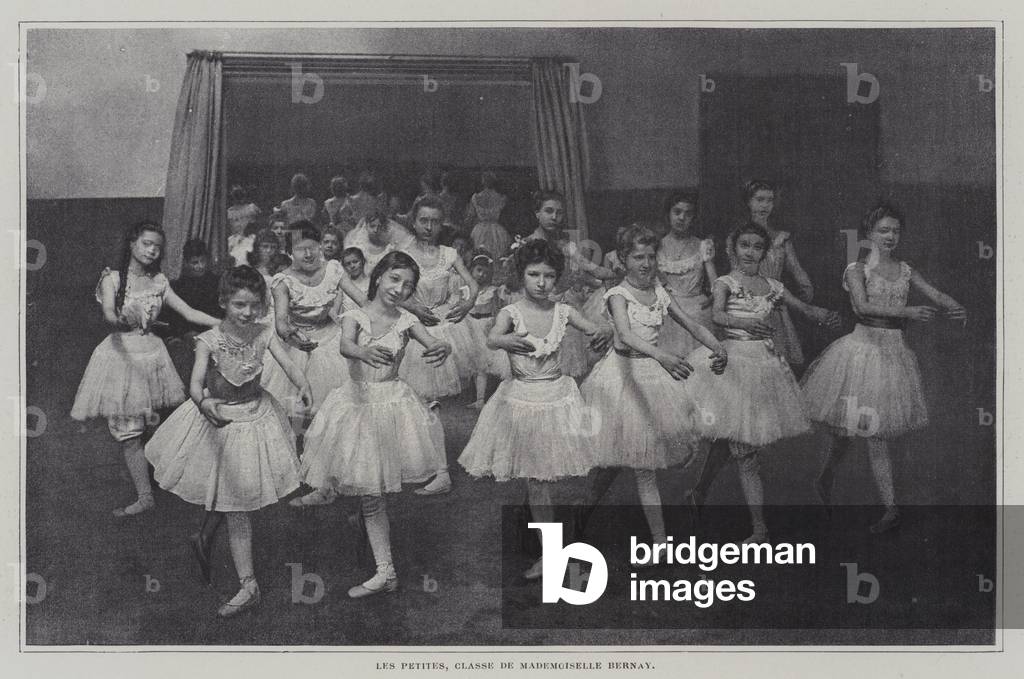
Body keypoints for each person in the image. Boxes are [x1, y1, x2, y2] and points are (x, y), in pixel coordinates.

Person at [145, 266, 312, 618]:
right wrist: (203, 402)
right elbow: (195, 384)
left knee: (238, 502)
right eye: (239, 305)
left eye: (254, 305)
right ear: (223, 302)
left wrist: (304, 385)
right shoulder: (209, 340)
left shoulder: (264, 333)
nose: (247, 313)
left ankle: (242, 578)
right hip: (219, 420)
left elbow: (288, 364)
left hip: (256, 419)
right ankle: (248, 583)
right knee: (234, 504)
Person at [801, 203, 967, 533]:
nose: (890, 236)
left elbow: (934, 293)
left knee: (870, 433)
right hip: (860, 353)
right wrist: (907, 312)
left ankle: (886, 507)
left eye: (895, 231)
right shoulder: (856, 268)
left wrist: (956, 306)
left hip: (892, 355)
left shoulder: (905, 270)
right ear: (869, 234)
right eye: (883, 230)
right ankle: (835, 481)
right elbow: (862, 307)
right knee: (851, 431)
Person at [298, 252, 452, 598]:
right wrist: (363, 353)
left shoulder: (406, 320)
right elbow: (345, 345)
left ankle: (385, 571)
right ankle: (382, 565)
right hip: (356, 407)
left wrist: (443, 348)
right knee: (368, 491)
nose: (400, 289)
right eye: (395, 279)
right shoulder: (355, 315)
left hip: (392, 408)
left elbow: (434, 342)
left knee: (373, 494)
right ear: (379, 276)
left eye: (408, 285)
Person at [458, 238, 611, 580]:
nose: (542, 283)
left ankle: (549, 548)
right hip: (522, 400)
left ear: (557, 278)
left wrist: (605, 333)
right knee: (538, 481)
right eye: (534, 274)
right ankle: (550, 554)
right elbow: (492, 338)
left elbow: (596, 328)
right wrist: (504, 340)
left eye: (549, 276)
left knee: (547, 479)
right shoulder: (511, 312)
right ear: (521, 275)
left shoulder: (563, 311)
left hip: (557, 398)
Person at [684, 222, 839, 543]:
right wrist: (746, 322)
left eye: (757, 247)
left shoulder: (773, 286)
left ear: (764, 252)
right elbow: (718, 316)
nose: (750, 252)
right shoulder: (725, 282)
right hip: (731, 364)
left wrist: (823, 314)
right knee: (744, 449)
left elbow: (803, 308)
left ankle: (699, 493)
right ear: (734, 248)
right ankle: (759, 529)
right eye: (745, 245)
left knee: (732, 439)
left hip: (764, 367)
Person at [579, 225, 727, 546]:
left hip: (651, 379)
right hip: (621, 378)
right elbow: (626, 334)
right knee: (613, 464)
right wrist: (663, 356)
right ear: (623, 259)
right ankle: (585, 520)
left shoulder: (659, 291)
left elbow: (691, 324)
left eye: (650, 257)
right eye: (638, 257)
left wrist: (718, 347)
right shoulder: (617, 295)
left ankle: (658, 543)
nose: (646, 264)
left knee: (641, 465)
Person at [70, 221, 221, 517]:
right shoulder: (112, 279)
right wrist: (122, 318)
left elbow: (188, 312)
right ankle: (145, 496)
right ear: (132, 243)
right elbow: (109, 314)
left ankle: (164, 482)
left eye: (157, 247)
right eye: (146, 244)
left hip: (152, 358)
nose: (152, 251)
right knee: (128, 431)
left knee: (157, 425)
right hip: (121, 359)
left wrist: (225, 323)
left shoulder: (159, 281)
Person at [737, 179, 814, 368]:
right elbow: (737, 275)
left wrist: (806, 290)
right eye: (759, 200)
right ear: (749, 202)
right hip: (748, 306)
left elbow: (796, 270)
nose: (764, 206)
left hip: (776, 306)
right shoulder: (738, 237)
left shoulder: (781, 239)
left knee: (776, 364)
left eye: (769, 200)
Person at [657, 192, 718, 356]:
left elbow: (715, 283)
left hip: (697, 311)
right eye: (677, 212)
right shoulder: (656, 246)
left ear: (693, 218)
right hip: (667, 309)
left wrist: (715, 294)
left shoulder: (703, 245)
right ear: (668, 214)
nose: (682, 218)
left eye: (688, 213)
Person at [466, 171, 511, 261]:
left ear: (483, 182)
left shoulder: (476, 197)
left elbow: (470, 216)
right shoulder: (501, 198)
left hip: (479, 230)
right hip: (497, 231)